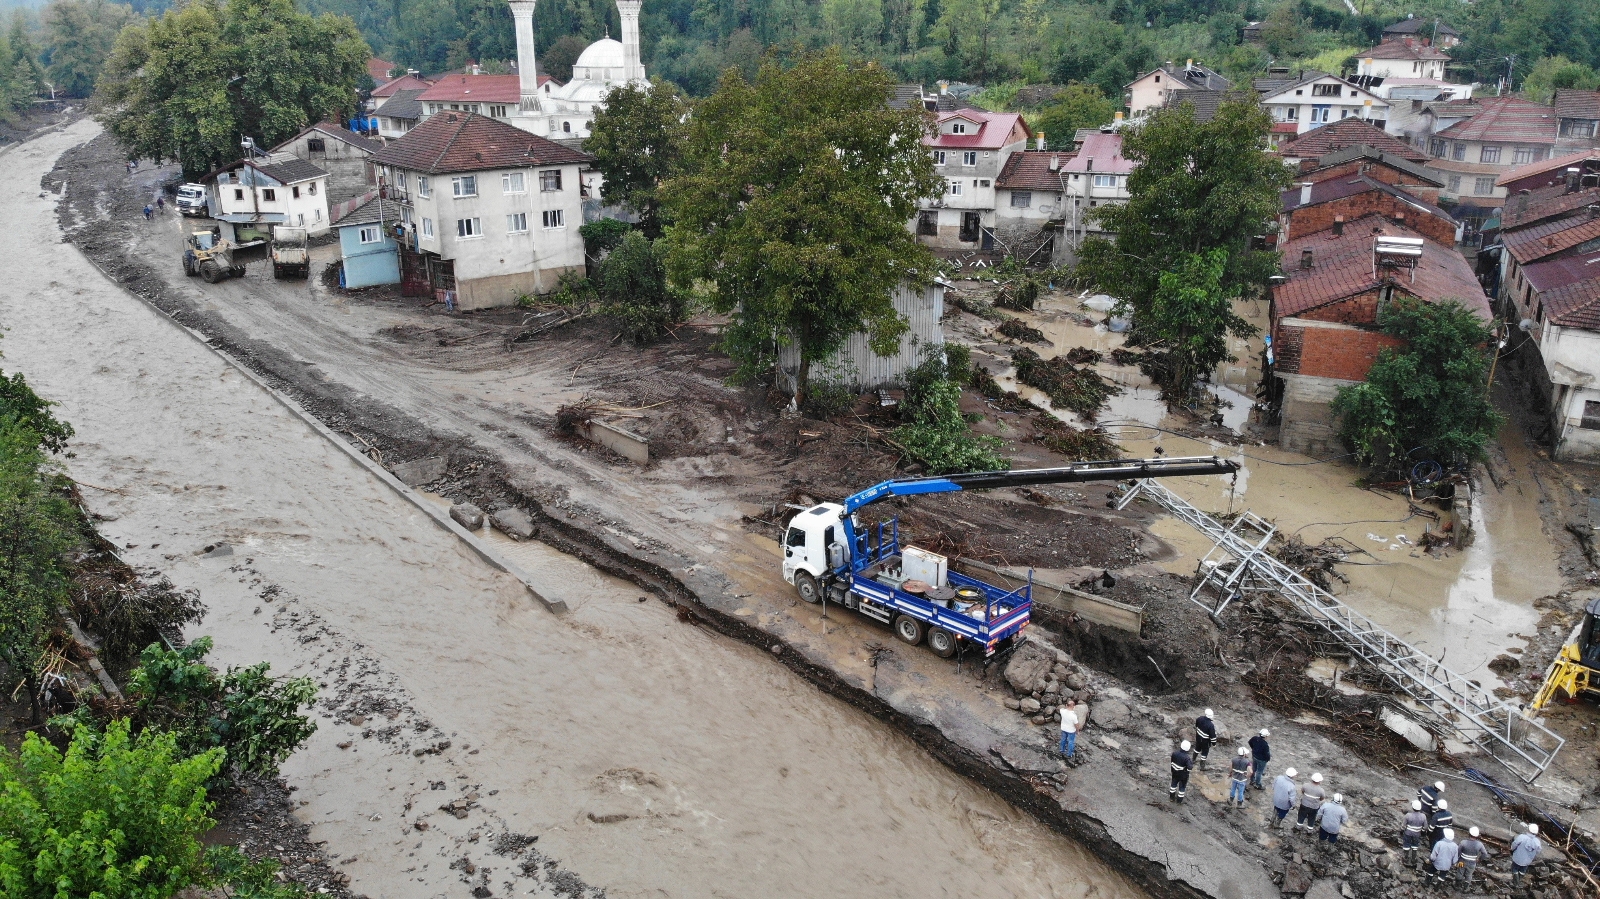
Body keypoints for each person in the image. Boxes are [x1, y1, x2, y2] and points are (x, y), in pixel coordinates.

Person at [1510, 823, 1542, 887]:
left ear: (1529, 830)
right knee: (1523, 870)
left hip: (1517, 858)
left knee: (1514, 869)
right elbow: (1538, 851)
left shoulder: (1522, 837)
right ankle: (1519, 879)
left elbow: (1514, 844)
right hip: (1527, 861)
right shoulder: (1537, 842)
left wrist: (1512, 849)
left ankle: (1516, 883)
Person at [1401, 799, 1429, 869]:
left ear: (1413, 807)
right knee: (1415, 846)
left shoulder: (1408, 815)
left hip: (1408, 833)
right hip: (1417, 834)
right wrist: (1422, 831)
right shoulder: (1423, 816)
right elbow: (1425, 827)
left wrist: (1401, 831)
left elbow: (1403, 825)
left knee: (1406, 845)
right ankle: (1413, 860)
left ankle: (1405, 858)